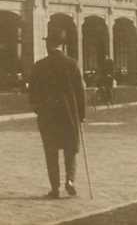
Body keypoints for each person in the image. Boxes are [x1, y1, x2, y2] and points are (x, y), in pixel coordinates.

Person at [29, 28, 86, 199]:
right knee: (70, 150)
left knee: (51, 152)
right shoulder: (72, 64)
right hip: (69, 115)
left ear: (48, 45)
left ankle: (55, 188)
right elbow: (80, 93)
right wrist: (81, 116)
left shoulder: (40, 66)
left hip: (48, 117)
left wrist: (40, 110)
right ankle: (70, 180)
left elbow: (33, 95)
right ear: (62, 45)